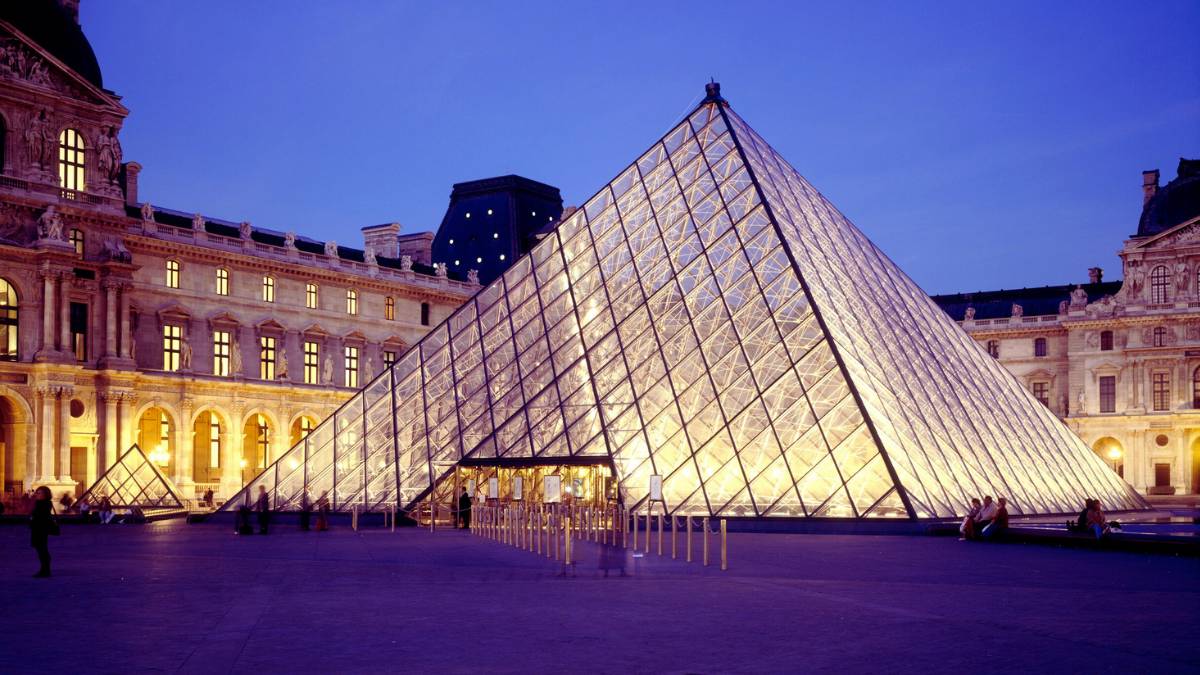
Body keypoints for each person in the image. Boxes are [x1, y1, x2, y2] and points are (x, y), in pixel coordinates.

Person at [29, 486, 55, 578]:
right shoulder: (41, 503)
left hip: (41, 529)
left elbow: (38, 515)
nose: (36, 494)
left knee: (42, 550)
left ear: (45, 494)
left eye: (39, 493)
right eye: (37, 492)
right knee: (41, 549)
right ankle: (44, 569)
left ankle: (45, 570)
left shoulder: (43, 504)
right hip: (38, 529)